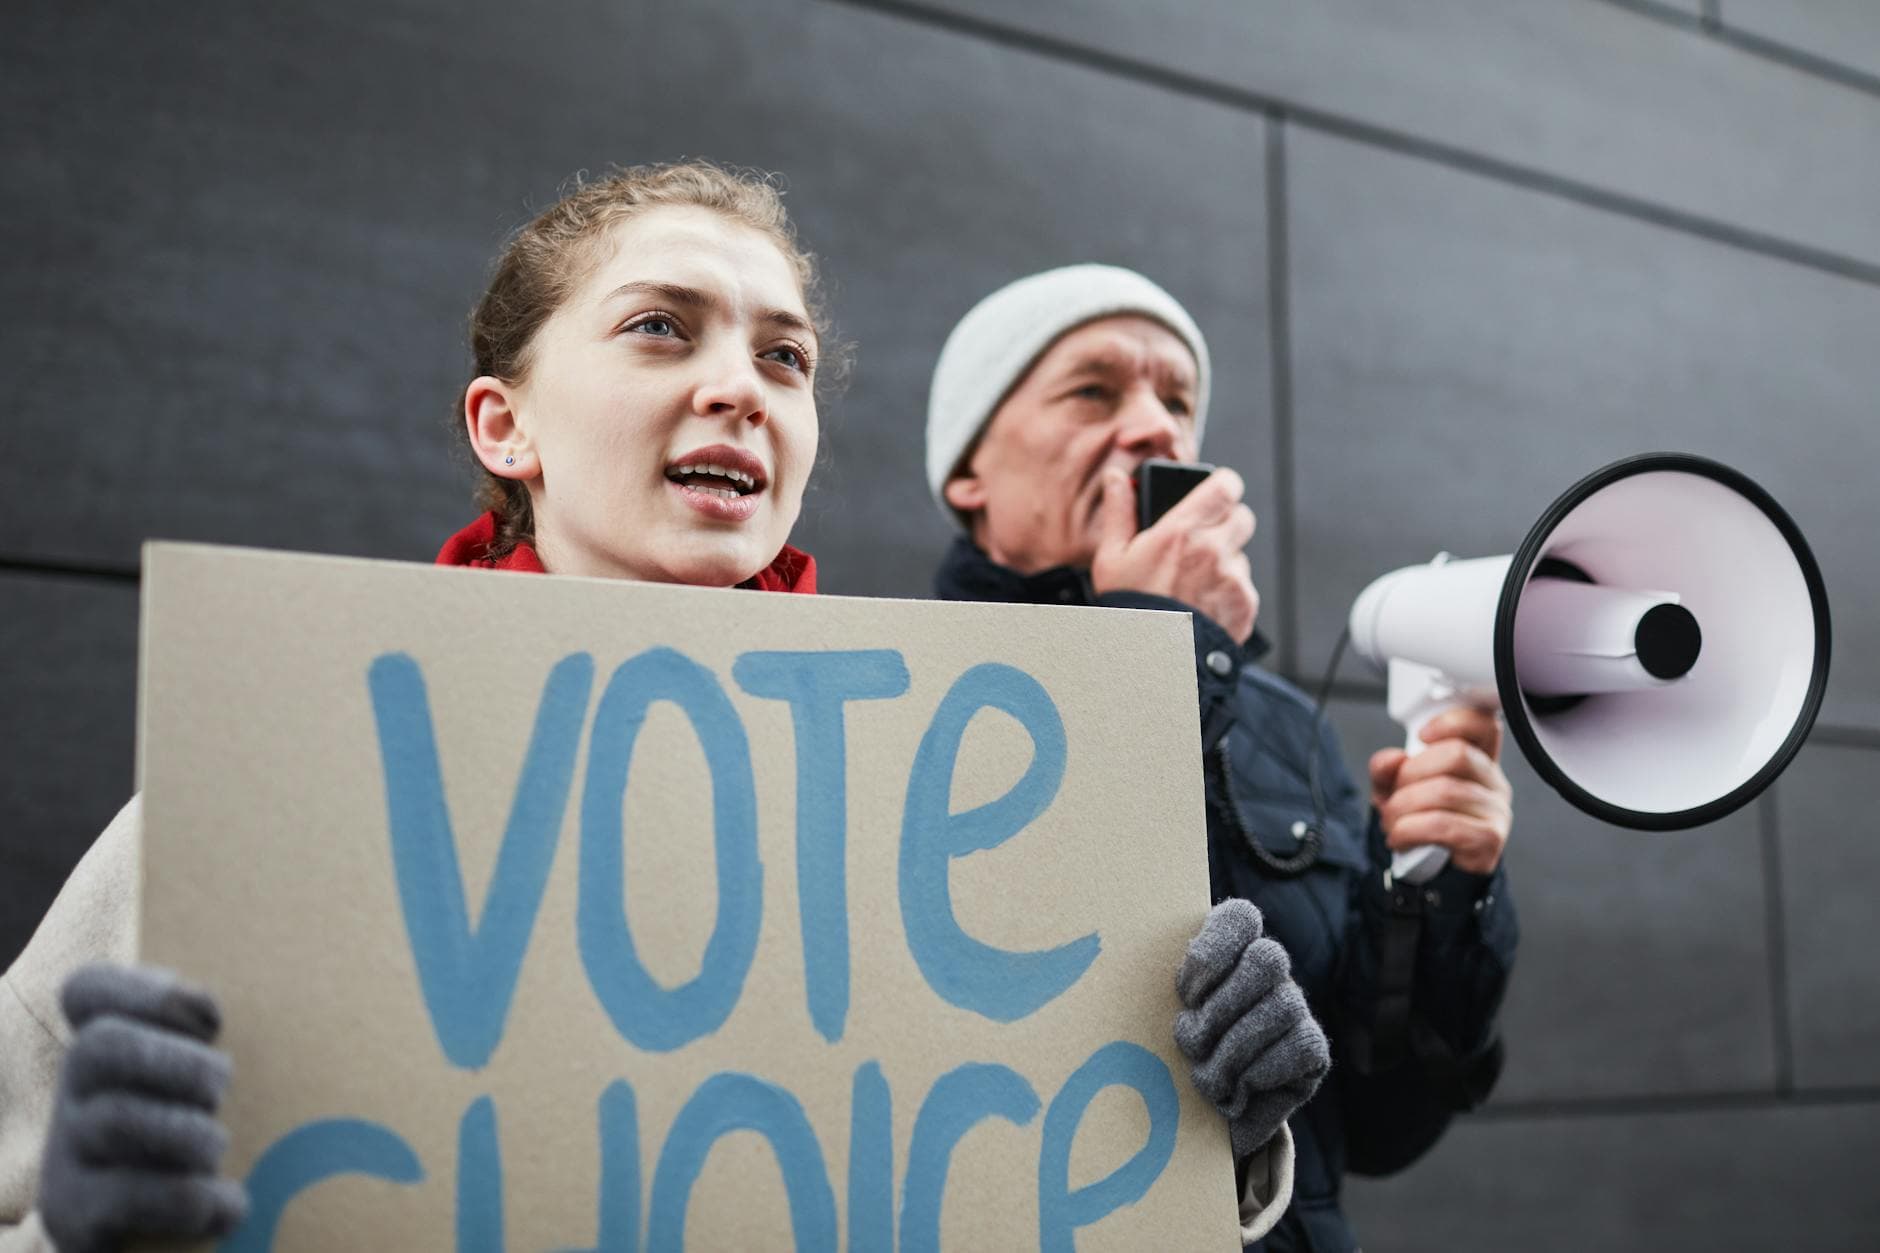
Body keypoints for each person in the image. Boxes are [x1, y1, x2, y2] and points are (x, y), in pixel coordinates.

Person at [0, 173, 1323, 1251]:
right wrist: (81, 1231)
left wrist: (1221, 1141)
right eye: (660, 326)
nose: (743, 385)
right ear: (502, 425)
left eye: (786, 356)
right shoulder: (271, 784)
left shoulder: (952, 806)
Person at [926, 264, 1520, 1252]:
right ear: (968, 472)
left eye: (1177, 399)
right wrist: (1152, 641)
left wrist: (1440, 890)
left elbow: (1379, 1126)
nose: (1154, 427)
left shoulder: (1280, 721)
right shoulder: (900, 688)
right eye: (1093, 389)